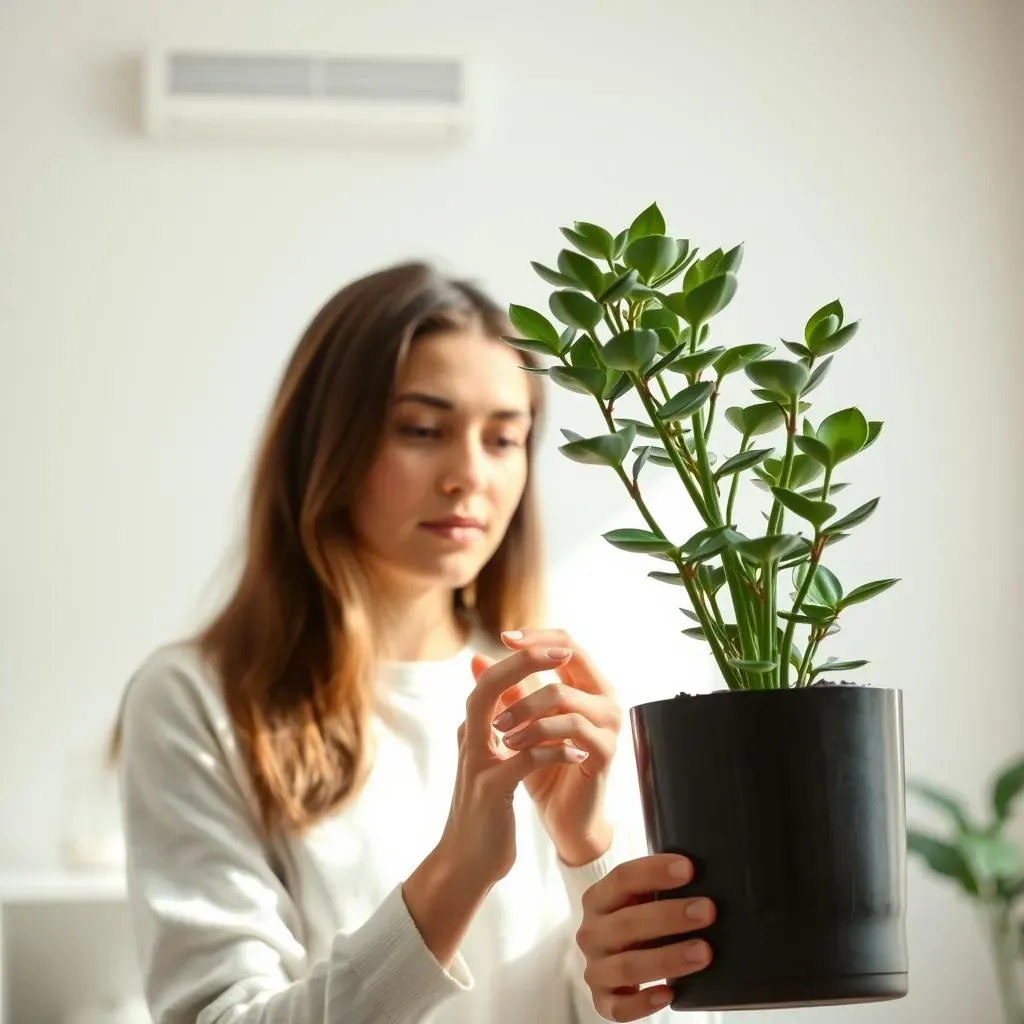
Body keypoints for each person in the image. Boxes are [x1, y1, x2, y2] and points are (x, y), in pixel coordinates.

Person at [112, 261, 716, 1024]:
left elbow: (659, 1008)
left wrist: (588, 851)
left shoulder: (559, 697)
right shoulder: (196, 700)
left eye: (504, 439)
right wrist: (457, 872)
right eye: (423, 430)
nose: (469, 474)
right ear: (325, 444)